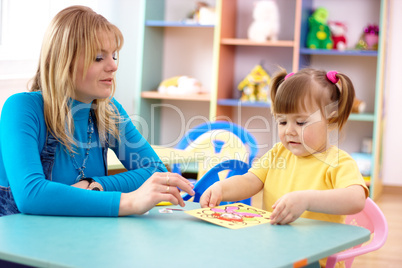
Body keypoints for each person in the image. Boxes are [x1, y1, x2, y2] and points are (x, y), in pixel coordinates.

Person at [0, 5, 194, 217]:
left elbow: (156, 171)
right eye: (99, 58)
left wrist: (93, 184)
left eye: (114, 56)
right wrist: (128, 201)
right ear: (61, 61)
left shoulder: (109, 112)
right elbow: (31, 195)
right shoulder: (22, 109)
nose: (113, 66)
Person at [200, 68, 368, 225]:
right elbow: (249, 181)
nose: (289, 131)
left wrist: (307, 200)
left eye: (300, 122)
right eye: (282, 121)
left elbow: (356, 199)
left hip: (316, 255)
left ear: (330, 120)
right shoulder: (277, 153)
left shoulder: (339, 162)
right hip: (276, 248)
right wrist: (221, 188)